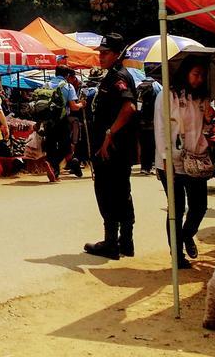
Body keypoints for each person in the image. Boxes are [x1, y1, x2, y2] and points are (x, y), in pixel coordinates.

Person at [153, 55, 214, 269]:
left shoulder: (202, 98)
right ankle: (177, 255)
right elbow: (160, 129)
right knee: (176, 209)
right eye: (196, 74)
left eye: (202, 76)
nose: (199, 79)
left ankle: (187, 235)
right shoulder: (166, 95)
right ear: (185, 73)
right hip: (172, 161)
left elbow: (203, 128)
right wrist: (165, 159)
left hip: (197, 159)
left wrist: (209, 116)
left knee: (199, 207)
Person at [83, 33, 138, 260]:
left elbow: (129, 108)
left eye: (105, 53)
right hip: (115, 149)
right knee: (121, 192)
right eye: (100, 52)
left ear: (118, 54)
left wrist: (108, 134)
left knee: (108, 193)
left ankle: (111, 243)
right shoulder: (112, 76)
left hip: (112, 150)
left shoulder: (118, 77)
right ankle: (125, 242)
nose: (101, 57)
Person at [51, 66, 84, 178]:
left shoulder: (46, 85)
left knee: (51, 143)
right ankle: (55, 166)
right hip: (62, 119)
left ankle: (58, 167)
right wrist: (82, 104)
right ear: (67, 76)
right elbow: (73, 107)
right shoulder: (68, 86)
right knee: (65, 145)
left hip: (48, 120)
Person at [137, 73, 161, 175]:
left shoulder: (139, 86)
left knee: (144, 144)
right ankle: (153, 165)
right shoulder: (157, 87)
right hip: (153, 122)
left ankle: (144, 167)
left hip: (141, 122)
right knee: (153, 144)